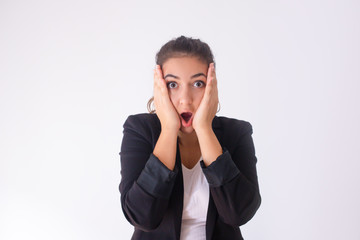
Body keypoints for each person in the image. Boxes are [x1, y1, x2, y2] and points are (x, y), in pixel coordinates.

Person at [119, 36, 261, 240]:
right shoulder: (139, 129)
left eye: (197, 83)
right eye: (172, 84)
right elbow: (142, 217)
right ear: (159, 88)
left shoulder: (237, 132)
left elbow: (238, 214)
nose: (185, 99)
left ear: (212, 87)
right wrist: (168, 128)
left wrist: (204, 128)